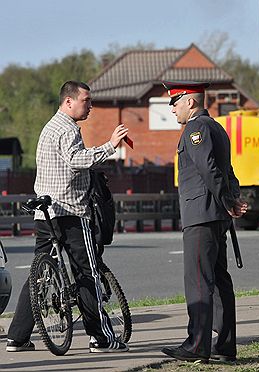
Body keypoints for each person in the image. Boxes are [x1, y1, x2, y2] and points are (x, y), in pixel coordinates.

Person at [6, 81, 130, 353]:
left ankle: (17, 337)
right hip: (70, 213)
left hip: (46, 213)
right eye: (86, 100)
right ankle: (101, 338)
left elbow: (69, 163)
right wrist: (109, 146)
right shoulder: (67, 129)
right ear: (69, 102)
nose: (91, 105)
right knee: (88, 273)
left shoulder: (50, 126)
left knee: (39, 275)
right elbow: (76, 159)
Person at [161, 81, 247, 364]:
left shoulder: (196, 129)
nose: (172, 108)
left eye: (175, 102)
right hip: (215, 215)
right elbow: (228, 171)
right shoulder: (217, 128)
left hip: (201, 214)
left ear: (190, 102)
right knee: (219, 281)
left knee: (198, 281)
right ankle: (224, 346)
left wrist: (226, 200)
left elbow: (208, 168)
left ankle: (197, 345)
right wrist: (231, 199)